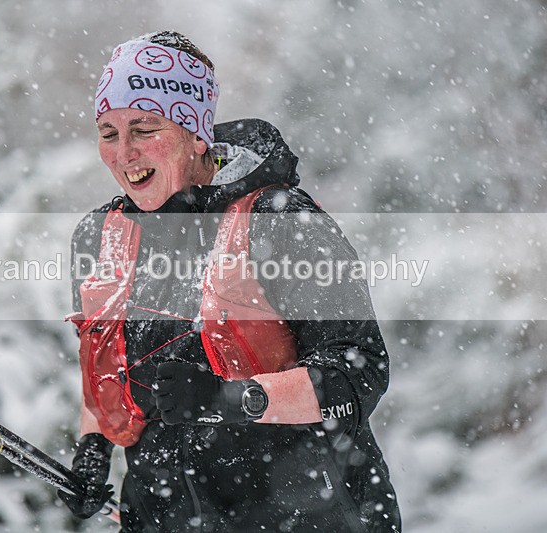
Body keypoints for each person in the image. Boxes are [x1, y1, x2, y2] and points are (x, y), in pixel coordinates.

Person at [60, 30, 401, 532]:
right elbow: (105, 368)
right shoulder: (99, 236)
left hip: (308, 515)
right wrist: (93, 447)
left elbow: (359, 374)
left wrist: (230, 399)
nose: (124, 152)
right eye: (108, 133)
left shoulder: (280, 221)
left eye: (144, 128)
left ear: (197, 134)